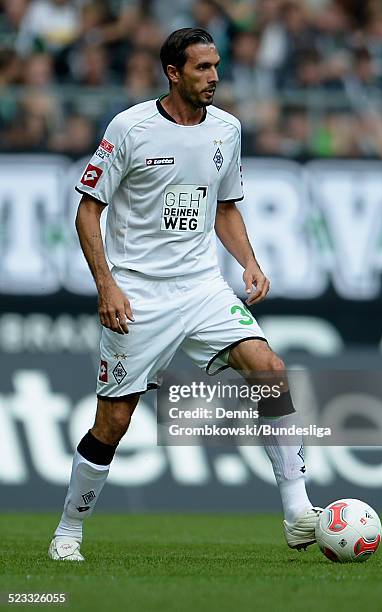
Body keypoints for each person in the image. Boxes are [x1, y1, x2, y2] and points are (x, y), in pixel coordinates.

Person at [48, 27, 321, 562]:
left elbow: (224, 207)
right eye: (201, 68)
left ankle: (297, 511)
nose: (214, 77)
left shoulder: (227, 129)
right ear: (173, 72)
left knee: (269, 366)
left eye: (216, 66)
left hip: (201, 287)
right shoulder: (131, 128)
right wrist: (108, 286)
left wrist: (249, 261)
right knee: (114, 421)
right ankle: (68, 530)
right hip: (139, 294)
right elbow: (87, 209)